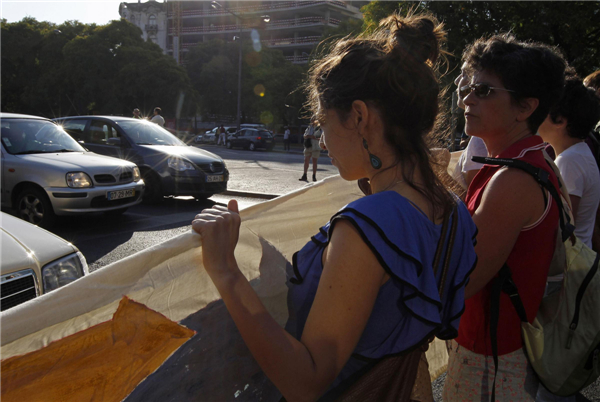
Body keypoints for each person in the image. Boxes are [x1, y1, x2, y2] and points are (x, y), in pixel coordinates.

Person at [192, 13, 477, 401]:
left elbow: (305, 381)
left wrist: (225, 272)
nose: (322, 142)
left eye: (323, 121)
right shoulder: (452, 205)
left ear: (359, 117)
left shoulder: (369, 225)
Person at [443, 34, 567, 401]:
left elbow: (463, 278)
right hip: (507, 345)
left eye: (483, 90)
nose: (467, 98)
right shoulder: (533, 158)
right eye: (468, 88)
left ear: (525, 107)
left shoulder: (512, 180)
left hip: (491, 357)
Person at [539, 77, 600, 248]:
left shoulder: (570, 161)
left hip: (571, 266)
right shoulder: (578, 153)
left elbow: (562, 223)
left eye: (542, 110)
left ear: (560, 121)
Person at [451, 61, 487, 193]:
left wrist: (438, 169)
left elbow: (470, 202)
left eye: (464, 73)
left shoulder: (481, 140)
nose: (457, 80)